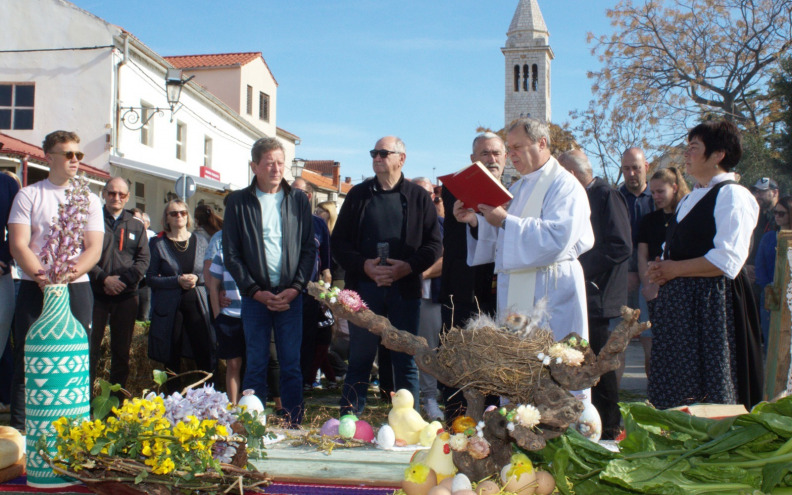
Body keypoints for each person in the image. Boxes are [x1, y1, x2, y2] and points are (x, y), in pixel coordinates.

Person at [647, 120, 763, 410]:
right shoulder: (690, 198)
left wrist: (674, 269)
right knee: (678, 385)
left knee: (710, 385)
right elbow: (678, 248)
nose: (686, 154)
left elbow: (728, 260)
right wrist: (661, 267)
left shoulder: (733, 195)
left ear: (718, 155)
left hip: (712, 307)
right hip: (682, 307)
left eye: (694, 148)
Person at [454, 119, 593, 340]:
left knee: (554, 355)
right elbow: (504, 240)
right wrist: (475, 221)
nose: (511, 154)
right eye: (509, 148)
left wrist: (505, 221)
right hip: (516, 290)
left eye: (517, 147)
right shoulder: (518, 187)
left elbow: (557, 238)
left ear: (541, 143)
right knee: (516, 357)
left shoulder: (564, 185)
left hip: (550, 290)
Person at [333, 136, 441, 415]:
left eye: (383, 153)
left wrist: (406, 267)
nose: (377, 158)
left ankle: (408, 421)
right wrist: (364, 266)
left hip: (404, 291)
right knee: (360, 357)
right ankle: (349, 419)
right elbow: (339, 243)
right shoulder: (358, 195)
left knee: (405, 359)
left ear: (401, 159)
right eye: (374, 153)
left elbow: (434, 245)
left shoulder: (418, 197)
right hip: (364, 291)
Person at [7, 130, 104, 430]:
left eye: (79, 155)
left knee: (79, 356)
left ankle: (77, 428)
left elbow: (93, 248)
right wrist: (45, 279)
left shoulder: (89, 199)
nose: (75, 160)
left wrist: (65, 277)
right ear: (49, 157)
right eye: (69, 154)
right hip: (35, 287)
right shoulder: (29, 195)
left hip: (75, 288)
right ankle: (22, 430)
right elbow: (19, 244)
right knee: (28, 356)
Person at [223, 137, 315, 426]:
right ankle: (253, 425)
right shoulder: (238, 202)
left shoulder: (298, 200)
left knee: (291, 363)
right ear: (254, 167)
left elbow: (308, 249)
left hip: (290, 296)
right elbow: (231, 253)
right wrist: (254, 291)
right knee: (256, 363)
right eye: (269, 163)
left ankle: (293, 422)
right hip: (256, 298)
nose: (276, 169)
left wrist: (295, 288)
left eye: (280, 163)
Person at [559, 149, 631, 440]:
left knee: (600, 366)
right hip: (583, 294)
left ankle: (610, 427)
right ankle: (586, 424)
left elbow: (620, 245)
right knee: (584, 364)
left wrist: (577, 266)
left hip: (599, 295)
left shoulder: (606, 195)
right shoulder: (584, 195)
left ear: (572, 174)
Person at [440, 132, 506, 421]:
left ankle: (492, 419)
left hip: (497, 292)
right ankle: (456, 421)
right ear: (472, 159)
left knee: (494, 359)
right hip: (462, 292)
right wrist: (475, 220)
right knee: (458, 358)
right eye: (485, 153)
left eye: (496, 153)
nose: (492, 159)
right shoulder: (456, 190)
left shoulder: (515, 195)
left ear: (505, 158)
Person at [88, 177, 150, 391]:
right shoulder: (92, 221)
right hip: (95, 294)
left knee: (121, 353)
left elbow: (143, 260)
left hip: (126, 296)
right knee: (89, 350)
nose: (116, 197)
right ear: (104, 194)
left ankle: (116, 402)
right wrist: (103, 278)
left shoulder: (136, 225)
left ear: (127, 197)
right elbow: (82, 253)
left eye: (121, 194)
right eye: (112, 193)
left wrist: (123, 281)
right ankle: (85, 402)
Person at [147, 199, 214, 392]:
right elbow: (151, 278)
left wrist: (197, 278)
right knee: (171, 354)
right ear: (166, 218)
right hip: (170, 309)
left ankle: (208, 396)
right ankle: (173, 398)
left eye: (183, 213)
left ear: (188, 216)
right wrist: (176, 281)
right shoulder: (158, 244)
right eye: (174, 213)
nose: (179, 216)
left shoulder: (201, 241)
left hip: (197, 304)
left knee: (204, 351)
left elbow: (210, 273)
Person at [636, 167, 690, 376]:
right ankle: (653, 391)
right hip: (651, 287)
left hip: (679, 288)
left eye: (660, 191)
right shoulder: (649, 220)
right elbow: (642, 255)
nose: (656, 196)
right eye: (653, 192)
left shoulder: (686, 218)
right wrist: (648, 285)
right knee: (651, 349)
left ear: (674, 188)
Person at [291, 178, 335, 391]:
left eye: (297, 192)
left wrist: (324, 296)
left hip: (308, 293)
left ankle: (303, 382)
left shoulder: (318, 224)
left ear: (308, 196)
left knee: (307, 339)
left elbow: (326, 267)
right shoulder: (280, 219)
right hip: (283, 290)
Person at [412, 177, 444, 421]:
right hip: (403, 296)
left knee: (429, 348)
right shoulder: (401, 224)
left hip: (430, 297)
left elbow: (448, 260)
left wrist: (418, 275)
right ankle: (406, 400)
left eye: (429, 195)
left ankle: (430, 397)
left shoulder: (442, 225)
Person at [754, 195, 792, 355]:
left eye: (781, 213)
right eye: (775, 212)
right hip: (771, 291)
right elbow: (759, 265)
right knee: (770, 333)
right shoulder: (768, 237)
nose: (777, 216)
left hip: (789, 292)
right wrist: (767, 286)